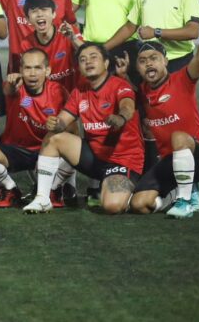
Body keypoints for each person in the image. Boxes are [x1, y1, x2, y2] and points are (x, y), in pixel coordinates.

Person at [69, 0, 148, 204]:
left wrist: (103, 49)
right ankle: (96, 180)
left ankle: (140, 173)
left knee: (131, 113)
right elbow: (69, 11)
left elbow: (133, 23)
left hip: (122, 50)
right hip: (90, 54)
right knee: (90, 114)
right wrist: (81, 42)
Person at [23, 42, 144, 214]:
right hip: (94, 158)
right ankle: (43, 199)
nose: (88, 62)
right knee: (53, 138)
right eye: (83, 59)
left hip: (122, 160)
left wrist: (121, 118)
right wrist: (56, 124)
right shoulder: (80, 90)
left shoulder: (119, 85)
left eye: (93, 57)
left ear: (106, 63)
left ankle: (136, 192)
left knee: (111, 206)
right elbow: (63, 120)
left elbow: (127, 106)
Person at [129, 0, 199, 219]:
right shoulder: (141, 91)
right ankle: (180, 194)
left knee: (179, 136)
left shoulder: (182, 80)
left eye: (154, 58)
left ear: (165, 61)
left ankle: (185, 199)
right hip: (171, 161)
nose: (149, 63)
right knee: (139, 204)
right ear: (138, 68)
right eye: (143, 61)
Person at [0, 48, 71, 208]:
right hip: (16, 150)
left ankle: (53, 189)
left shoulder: (59, 92)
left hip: (47, 152)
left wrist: (58, 126)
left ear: (47, 71)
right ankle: (10, 189)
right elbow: (9, 89)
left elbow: (73, 130)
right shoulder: (14, 87)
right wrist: (12, 83)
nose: (32, 74)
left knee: (73, 150)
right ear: (20, 70)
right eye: (27, 68)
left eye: (37, 68)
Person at [13, 0, 84, 91]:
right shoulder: (26, 44)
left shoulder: (69, 32)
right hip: (49, 98)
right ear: (27, 19)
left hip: (76, 93)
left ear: (54, 14)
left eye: (44, 10)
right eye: (34, 11)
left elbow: (87, 54)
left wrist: (73, 39)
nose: (40, 14)